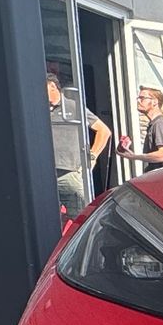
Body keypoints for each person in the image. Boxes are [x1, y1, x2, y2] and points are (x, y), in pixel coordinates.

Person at [46, 69, 108, 216]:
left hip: (69, 173)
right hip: (45, 174)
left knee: (82, 216)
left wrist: (92, 157)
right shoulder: (38, 109)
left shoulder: (73, 107)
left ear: (53, 87)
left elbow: (103, 131)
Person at [119, 86, 163, 172]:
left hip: (162, 181)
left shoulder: (160, 125)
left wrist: (134, 156)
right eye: (138, 98)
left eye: (142, 98)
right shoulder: (154, 125)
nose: (138, 101)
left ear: (155, 102)